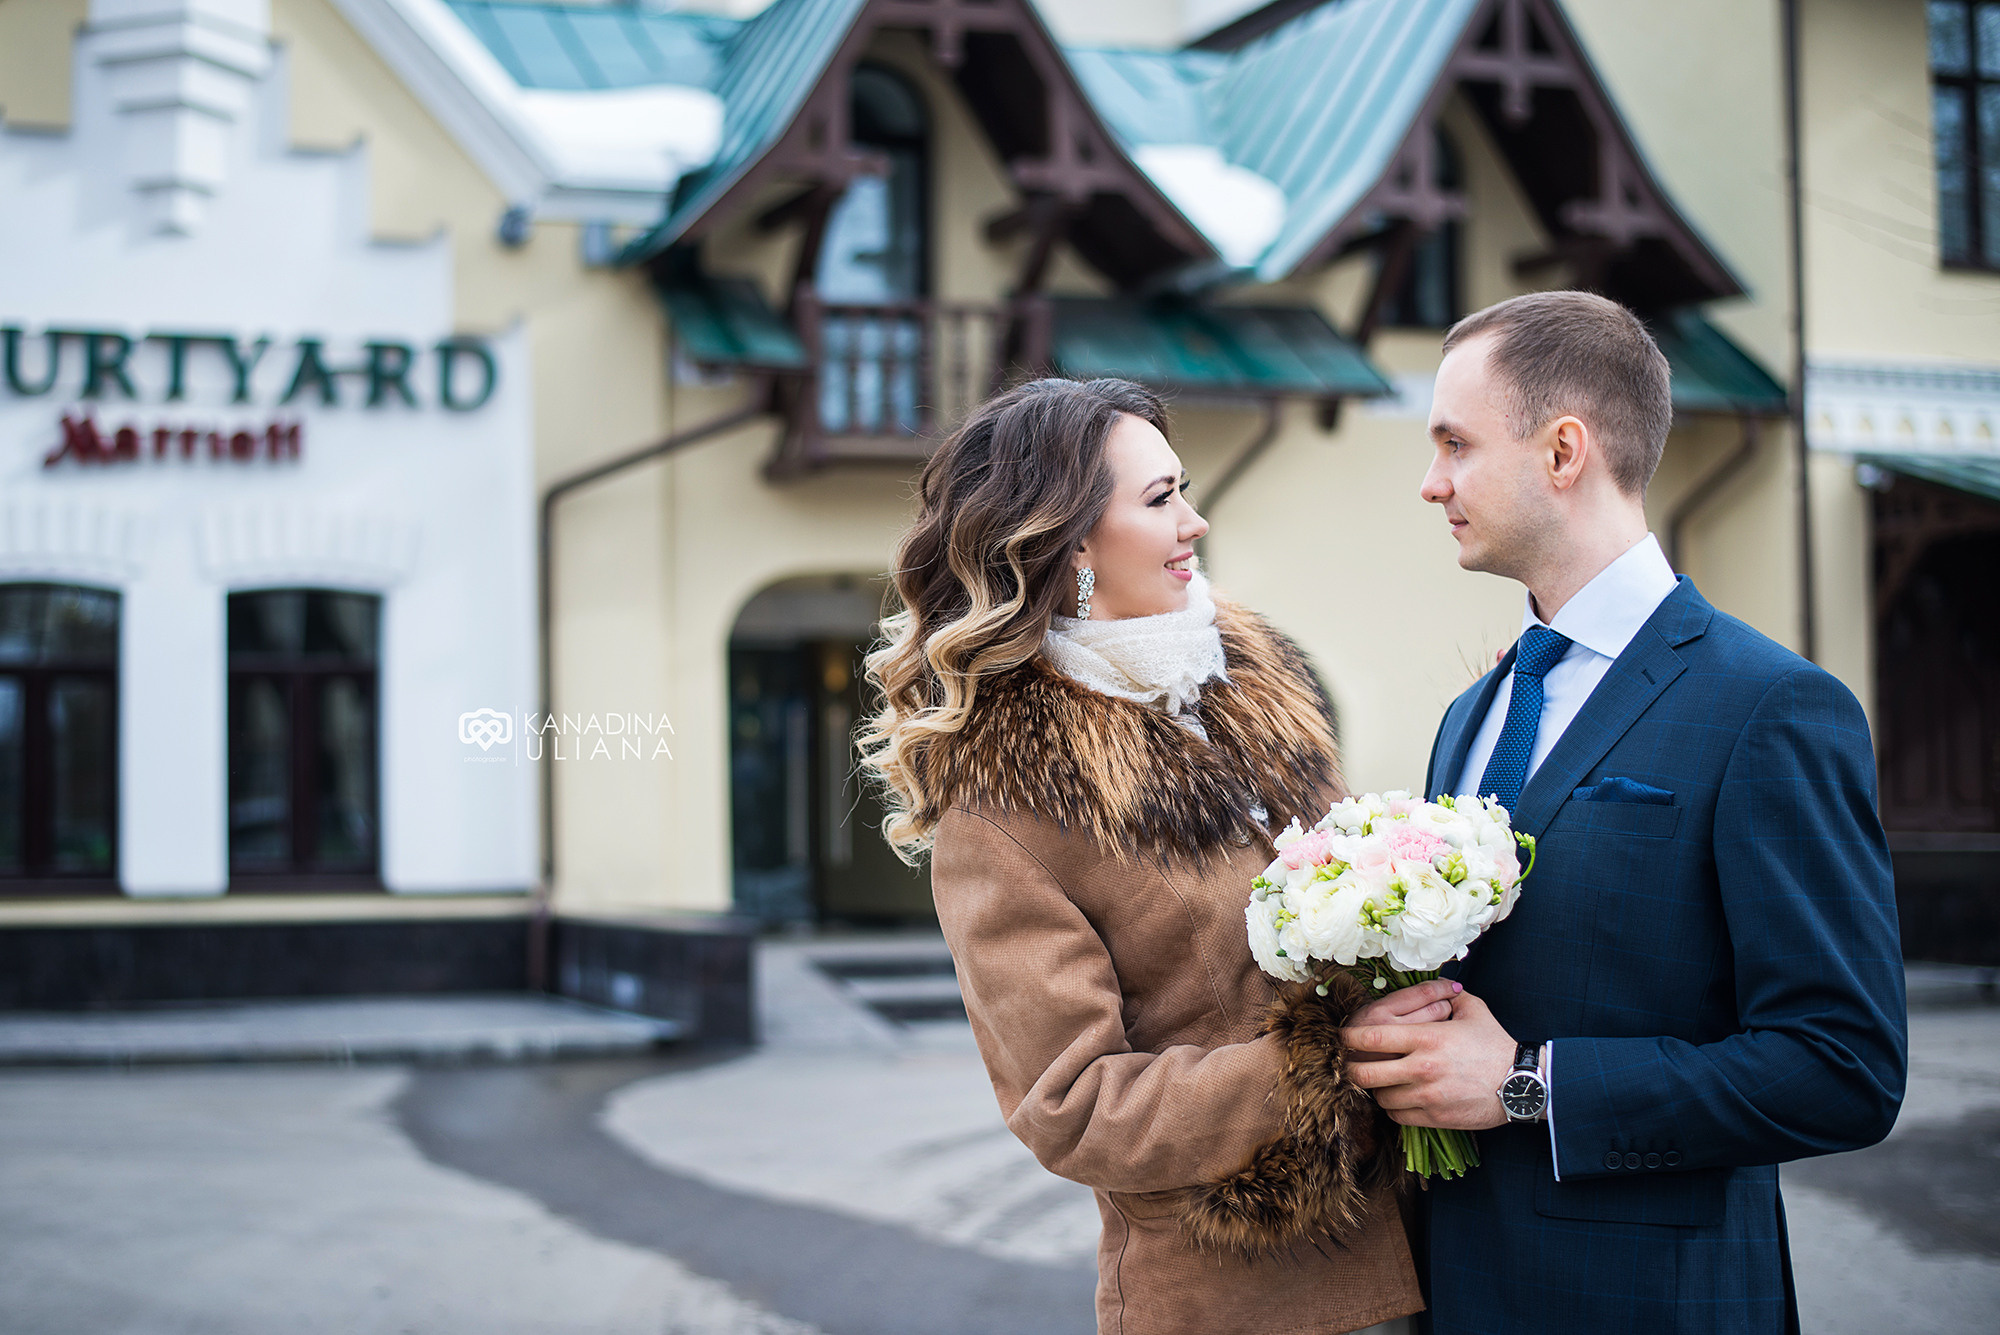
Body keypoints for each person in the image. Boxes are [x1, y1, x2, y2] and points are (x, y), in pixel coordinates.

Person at [1342, 291, 1908, 1333]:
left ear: (1563, 452)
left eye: (1454, 445)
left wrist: (1526, 1085)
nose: (1430, 485)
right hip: (1452, 1292)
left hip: (1654, 1304)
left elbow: (1842, 1068)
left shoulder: (1768, 709)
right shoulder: (1470, 715)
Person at [861, 377, 1434, 1335]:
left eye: (1186, 490)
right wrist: (1330, 1060)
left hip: (1430, 1240)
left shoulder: (1257, 683)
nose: (1196, 522)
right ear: (1071, 541)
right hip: (1242, 1293)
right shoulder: (1004, 811)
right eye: (1162, 499)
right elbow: (1074, 1104)